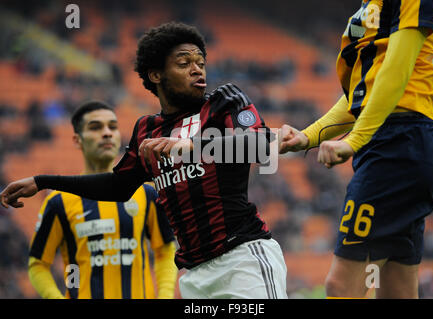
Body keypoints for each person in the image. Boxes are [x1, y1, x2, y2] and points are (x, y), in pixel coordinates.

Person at [1, 22, 287, 299]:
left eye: (200, 61)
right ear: (156, 75)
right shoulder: (146, 129)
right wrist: (42, 181)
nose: (197, 68)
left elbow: (261, 145)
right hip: (195, 276)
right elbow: (118, 186)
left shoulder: (224, 101)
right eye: (184, 62)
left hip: (243, 258)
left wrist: (191, 145)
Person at [279, 0, 433, 298]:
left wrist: (353, 140)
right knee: (395, 287)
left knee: (342, 287)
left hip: (398, 143)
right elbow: (365, 91)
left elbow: (398, 69)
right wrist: (308, 137)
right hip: (399, 144)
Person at [27, 101, 177, 299]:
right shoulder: (59, 201)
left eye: (112, 127)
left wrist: (165, 295)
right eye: (96, 127)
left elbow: (165, 249)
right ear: (77, 140)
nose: (107, 133)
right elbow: (38, 264)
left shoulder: (145, 193)